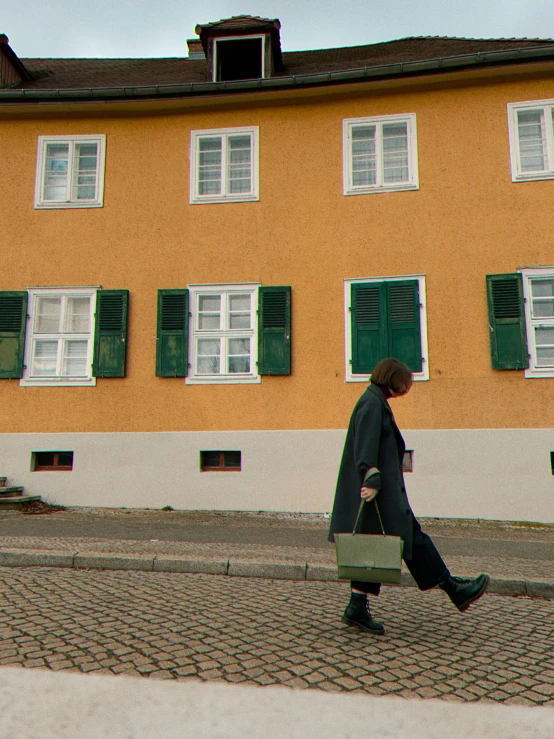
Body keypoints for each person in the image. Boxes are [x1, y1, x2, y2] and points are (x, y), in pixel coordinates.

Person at [328, 357, 489, 635]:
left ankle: (357, 607)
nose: (407, 387)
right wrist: (372, 477)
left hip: (382, 492)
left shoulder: (375, 401)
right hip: (380, 493)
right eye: (405, 382)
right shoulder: (371, 403)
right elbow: (364, 446)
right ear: (393, 378)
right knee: (410, 538)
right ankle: (452, 588)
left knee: (374, 547)